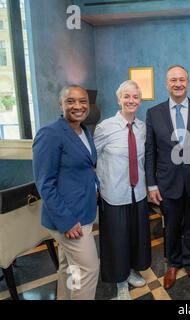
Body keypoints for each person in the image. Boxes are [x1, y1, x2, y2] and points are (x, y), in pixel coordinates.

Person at [145, 65, 190, 290]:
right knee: (172, 226)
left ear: (188, 82)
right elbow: (150, 152)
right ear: (166, 84)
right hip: (167, 182)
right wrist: (151, 184)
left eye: (181, 79)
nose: (177, 84)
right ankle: (173, 264)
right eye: (173, 80)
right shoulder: (154, 113)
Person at [32, 85, 99, 300]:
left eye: (83, 101)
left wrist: (95, 186)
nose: (78, 106)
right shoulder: (50, 134)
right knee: (88, 270)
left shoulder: (83, 130)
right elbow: (45, 183)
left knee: (71, 269)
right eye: (71, 101)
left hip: (83, 210)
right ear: (60, 104)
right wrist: (66, 221)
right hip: (69, 219)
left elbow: (87, 166)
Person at [94, 80, 151, 300]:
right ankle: (120, 281)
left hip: (138, 193)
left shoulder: (143, 128)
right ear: (119, 99)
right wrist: (98, 186)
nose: (131, 100)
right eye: (126, 96)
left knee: (135, 237)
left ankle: (131, 270)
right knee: (117, 239)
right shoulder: (104, 127)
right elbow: (93, 158)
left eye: (135, 97)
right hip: (114, 195)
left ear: (140, 100)